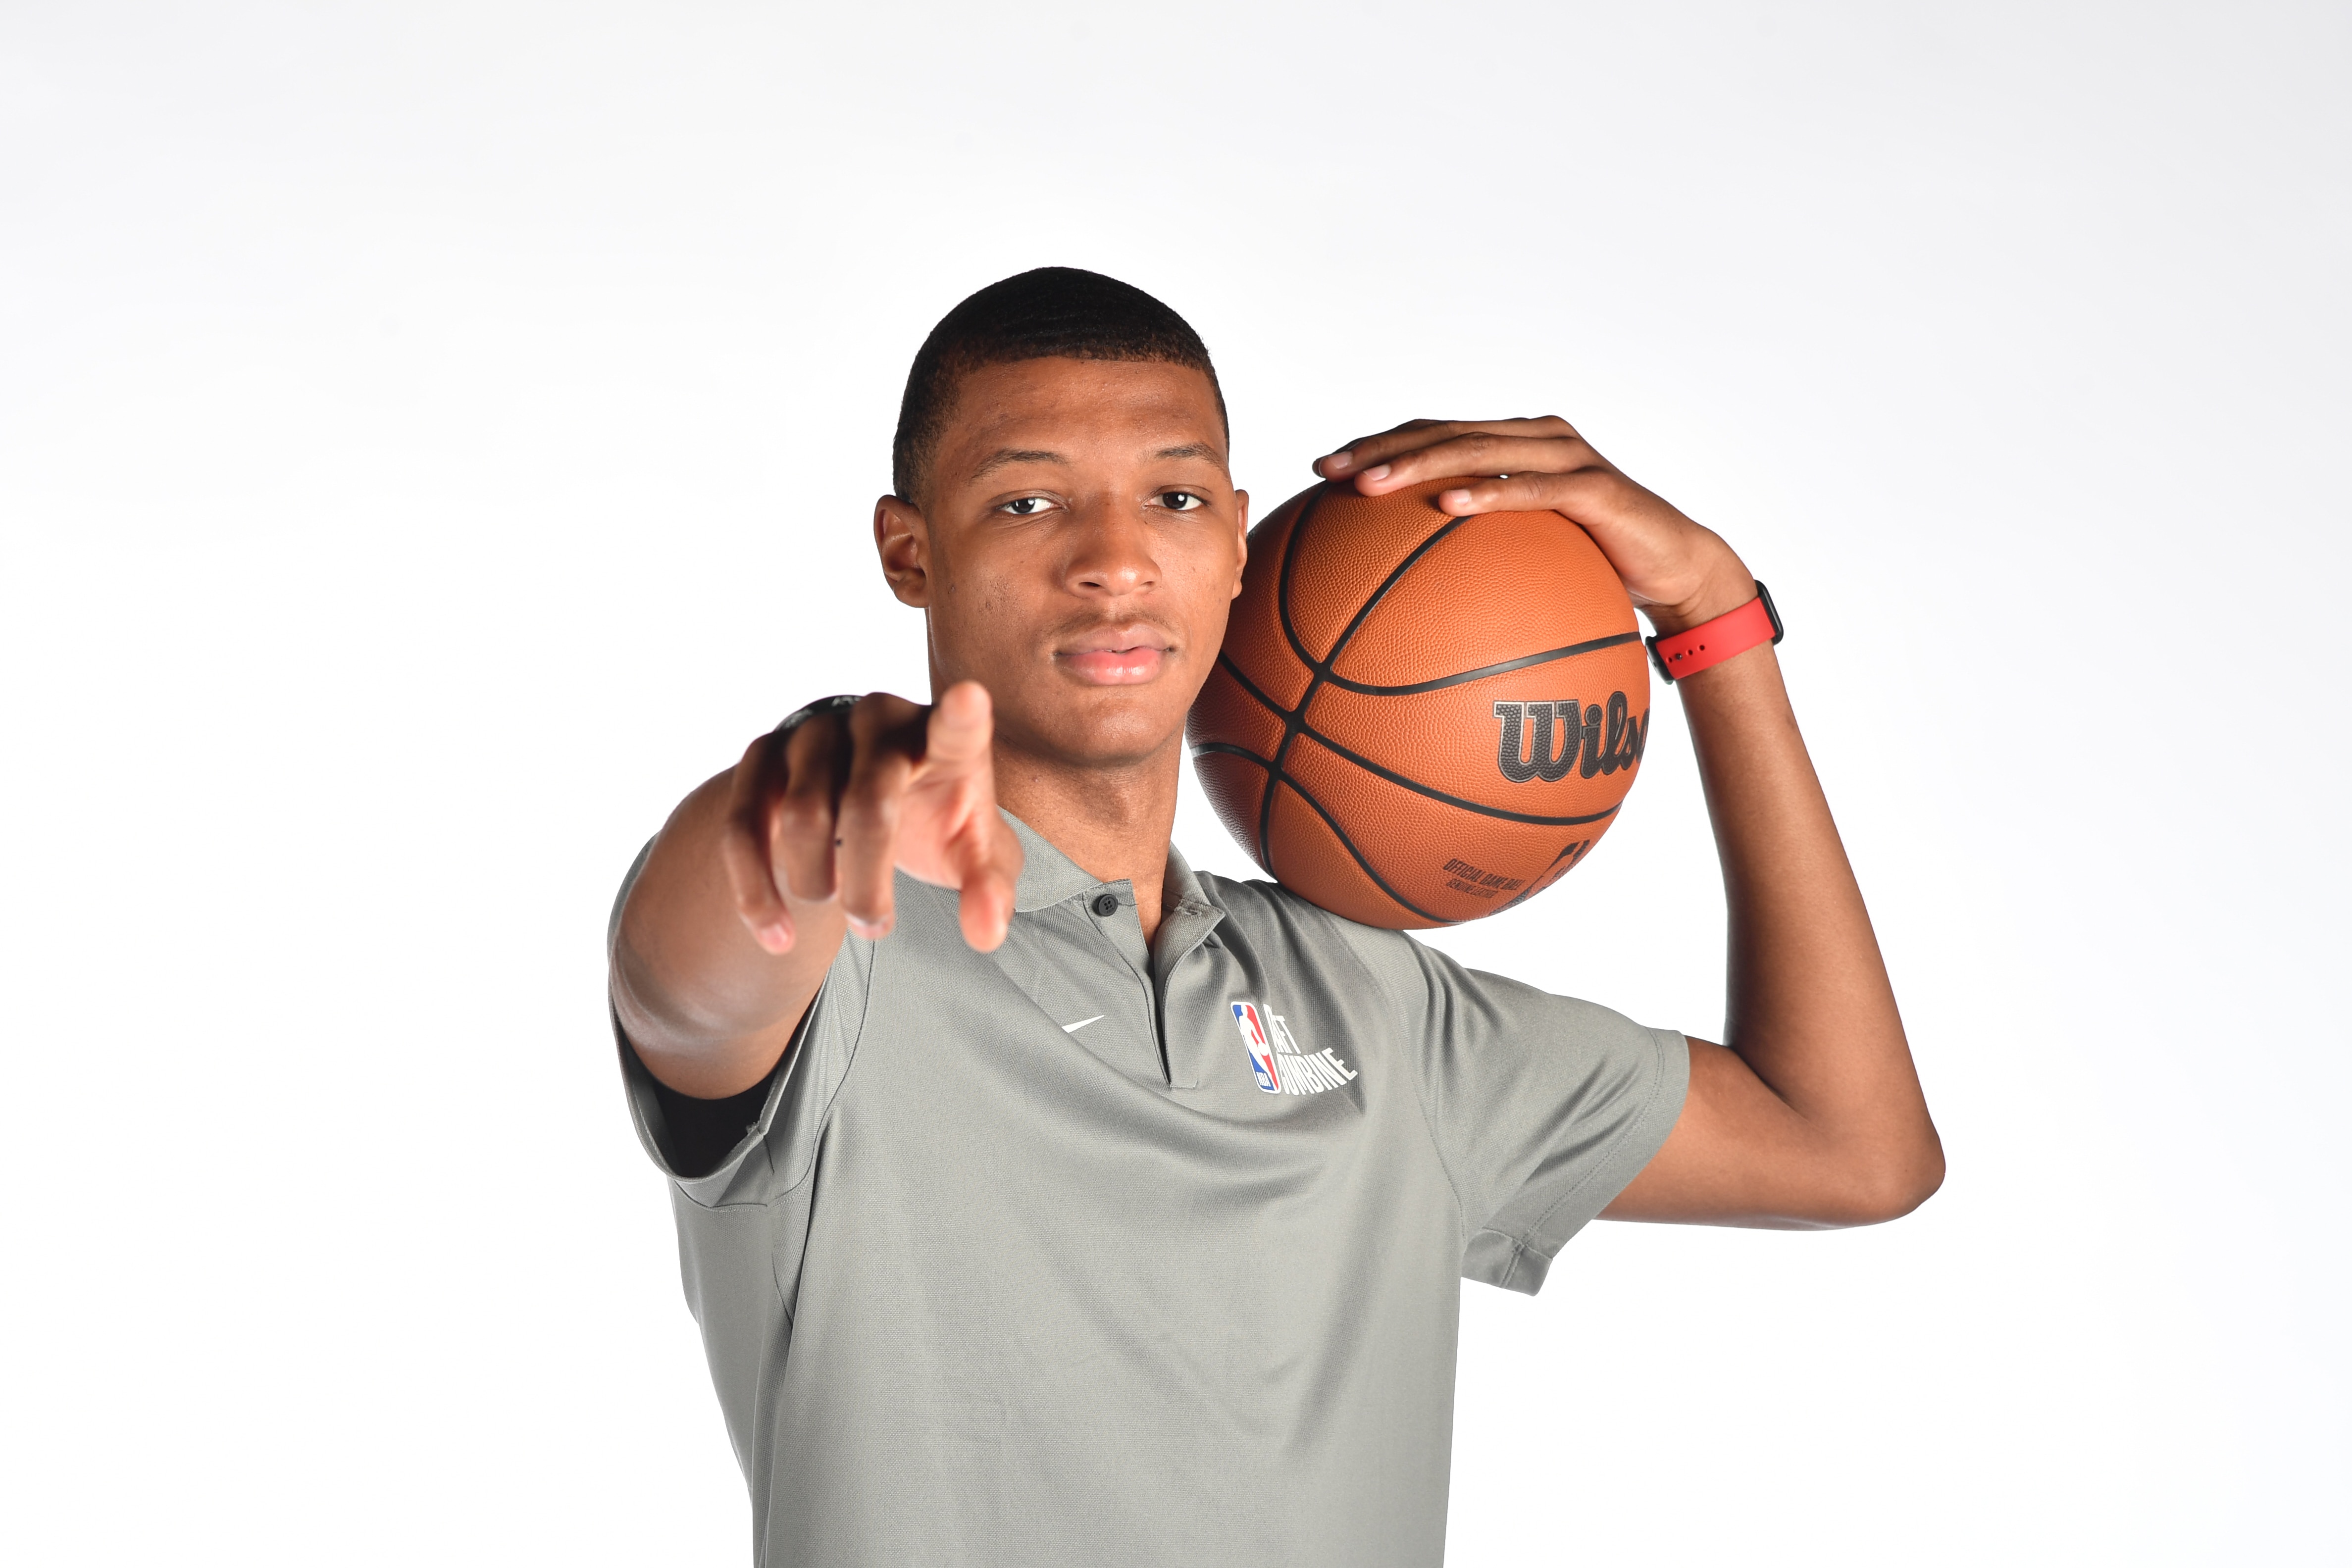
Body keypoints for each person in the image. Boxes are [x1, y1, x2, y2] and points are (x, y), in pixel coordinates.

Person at [607, 267, 1942, 1566]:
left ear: (1239, 543)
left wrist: (1714, 616)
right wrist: (805, 803)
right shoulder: (833, 953)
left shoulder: (1373, 1007)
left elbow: (1851, 1148)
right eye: (1027, 502)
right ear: (912, 553)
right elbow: (687, 982)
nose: (1115, 562)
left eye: (1175, 498)